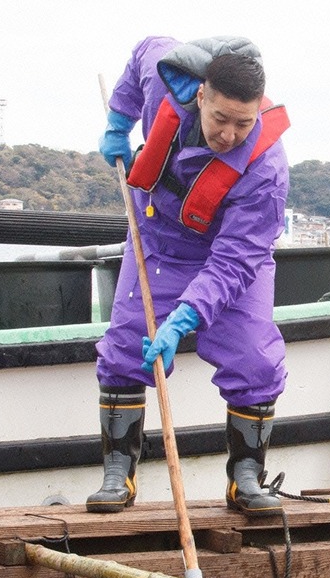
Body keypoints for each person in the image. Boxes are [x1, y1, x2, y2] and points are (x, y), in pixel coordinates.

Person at [91, 35, 290, 515]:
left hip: (228, 258)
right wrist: (119, 121)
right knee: (125, 346)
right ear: (200, 95)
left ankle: (245, 476)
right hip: (157, 241)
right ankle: (119, 472)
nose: (229, 135)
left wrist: (185, 318)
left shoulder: (267, 167)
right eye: (220, 119)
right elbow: (141, 51)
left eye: (243, 124)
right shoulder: (166, 76)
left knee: (255, 358)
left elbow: (237, 258)